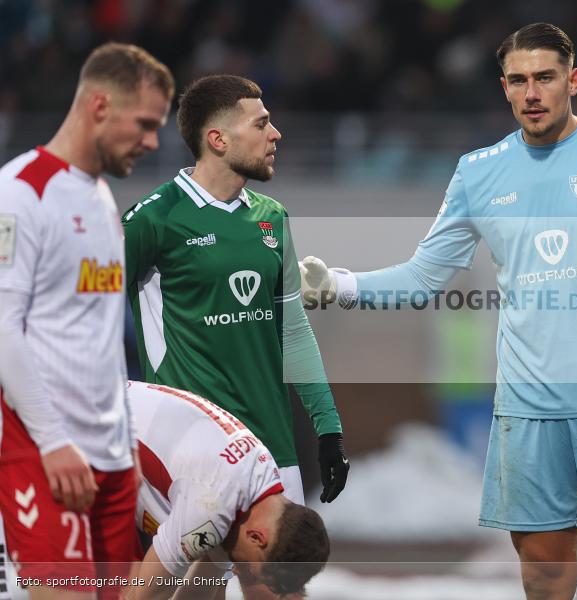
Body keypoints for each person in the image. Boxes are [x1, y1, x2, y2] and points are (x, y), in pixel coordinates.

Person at [300, 22, 577, 600]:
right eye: (518, 81)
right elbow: (425, 277)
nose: (532, 93)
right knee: (545, 578)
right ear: (503, 88)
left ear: (573, 80)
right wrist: (342, 285)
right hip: (527, 408)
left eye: (545, 78)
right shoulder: (479, 171)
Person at [121, 75, 348, 507]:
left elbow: (293, 330)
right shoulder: (154, 219)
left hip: (273, 449)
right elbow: (82, 307)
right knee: (194, 578)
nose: (275, 134)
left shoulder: (272, 217)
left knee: (282, 577)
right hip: (187, 450)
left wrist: (328, 428)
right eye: (261, 124)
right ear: (218, 140)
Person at [0, 43, 173, 600]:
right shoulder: (20, 193)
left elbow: (98, 337)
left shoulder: (101, 199)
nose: (152, 142)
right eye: (145, 124)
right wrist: (52, 441)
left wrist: (123, 443)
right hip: (45, 451)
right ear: (100, 105)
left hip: (112, 459)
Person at [124, 380, 330, 600]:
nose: (239, 571)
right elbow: (141, 596)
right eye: (251, 572)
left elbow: (198, 591)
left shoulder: (261, 483)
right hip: (89, 435)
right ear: (258, 538)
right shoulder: (212, 508)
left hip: (107, 428)